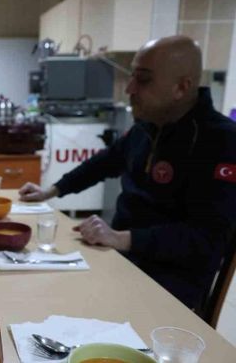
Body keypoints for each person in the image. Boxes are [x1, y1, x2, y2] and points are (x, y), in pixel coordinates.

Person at [19, 35, 236, 310]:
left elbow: (205, 240)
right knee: (37, 290)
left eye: (143, 79)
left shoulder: (222, 141)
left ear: (181, 87)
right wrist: (51, 190)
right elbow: (105, 162)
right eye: (132, 76)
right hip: (120, 260)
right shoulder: (148, 126)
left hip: (170, 287)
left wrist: (121, 238)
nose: (130, 88)